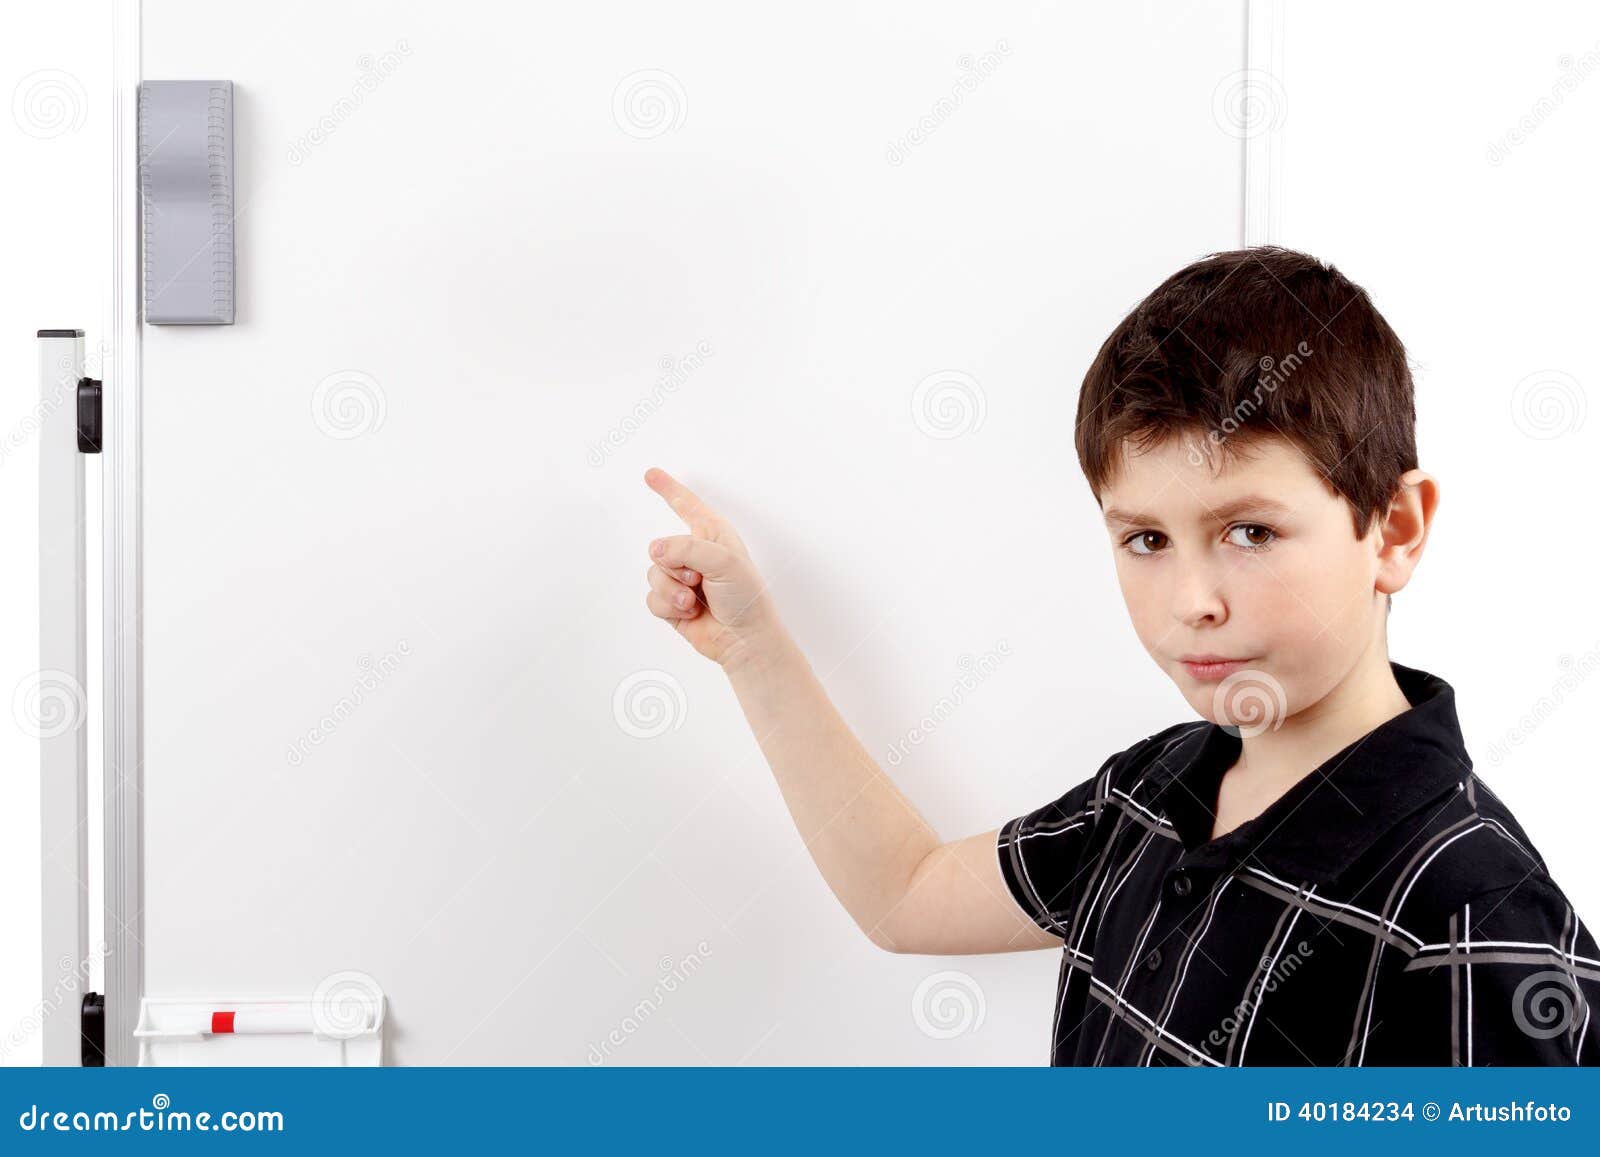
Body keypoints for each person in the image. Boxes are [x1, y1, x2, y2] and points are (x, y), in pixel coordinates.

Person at [639, 246, 1598, 1066]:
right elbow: (906, 894)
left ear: (1392, 529)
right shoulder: (1153, 790)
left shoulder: (1477, 918)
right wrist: (754, 650)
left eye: (1252, 531)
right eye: (1145, 540)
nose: (1192, 603)